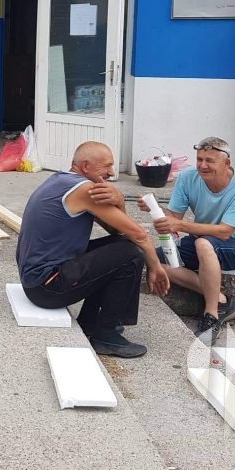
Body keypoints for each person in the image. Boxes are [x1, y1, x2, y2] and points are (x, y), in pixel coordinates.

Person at [16, 141, 169, 358]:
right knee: (132, 254)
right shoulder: (86, 190)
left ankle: (91, 322)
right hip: (46, 287)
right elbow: (138, 234)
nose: (111, 172)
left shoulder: (62, 180)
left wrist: (120, 202)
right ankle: (106, 336)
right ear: (85, 166)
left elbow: (117, 232)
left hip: (37, 281)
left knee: (120, 248)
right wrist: (156, 267)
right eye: (106, 166)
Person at [140, 136, 235, 344]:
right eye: (200, 159)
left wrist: (181, 226)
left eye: (210, 160)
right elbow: (174, 217)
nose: (203, 165)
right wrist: (154, 209)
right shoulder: (188, 177)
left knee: (203, 244)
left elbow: (225, 232)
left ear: (227, 163)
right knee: (152, 259)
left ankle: (211, 315)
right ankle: (221, 299)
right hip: (200, 240)